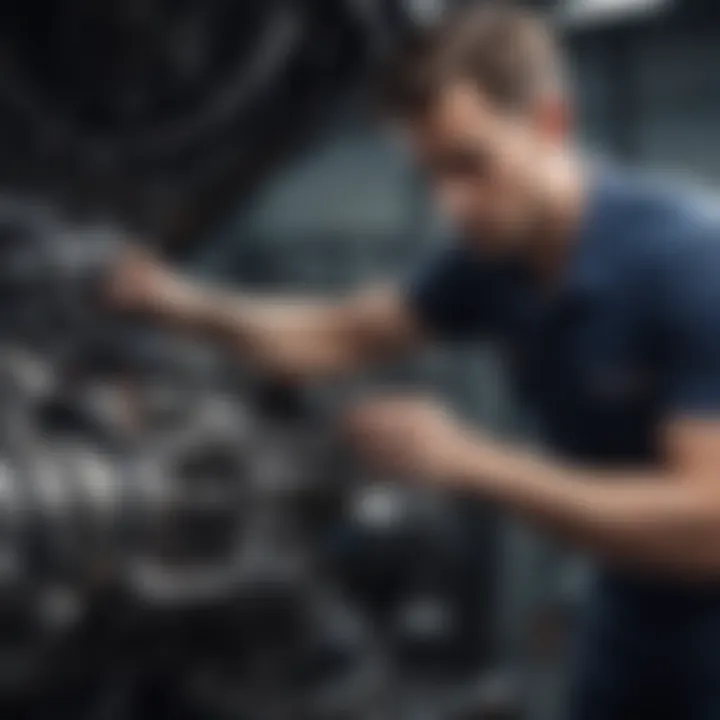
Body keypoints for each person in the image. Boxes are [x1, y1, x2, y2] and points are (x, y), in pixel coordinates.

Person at [107, 4, 720, 718]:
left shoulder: (687, 264)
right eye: (431, 175)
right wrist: (169, 300)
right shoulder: (495, 259)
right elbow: (327, 338)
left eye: (471, 165)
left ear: (550, 123)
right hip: (628, 614)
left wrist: (473, 461)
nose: (451, 206)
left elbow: (709, 528)